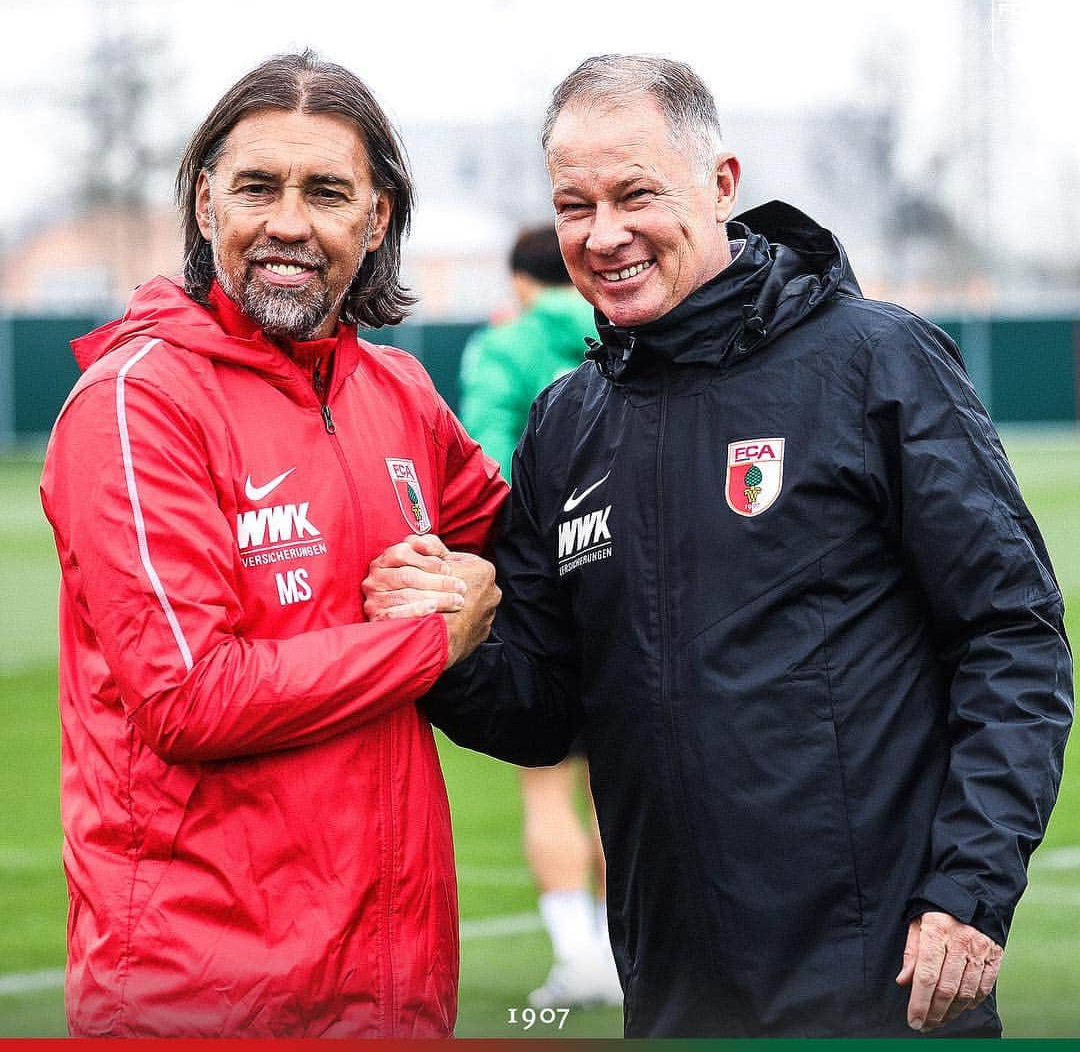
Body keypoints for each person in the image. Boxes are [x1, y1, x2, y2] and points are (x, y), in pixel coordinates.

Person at [361, 54, 1073, 1038]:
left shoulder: (875, 362)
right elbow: (544, 711)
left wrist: (968, 889)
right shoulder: (567, 422)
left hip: (884, 981)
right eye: (575, 205)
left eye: (634, 194)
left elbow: (1013, 639)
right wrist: (451, 644)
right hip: (674, 993)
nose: (604, 235)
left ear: (722, 184)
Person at [39, 50, 506, 1038]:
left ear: (377, 221)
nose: (287, 221)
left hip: (396, 988)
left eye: (326, 191)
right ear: (207, 205)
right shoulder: (137, 402)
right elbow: (188, 696)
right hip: (201, 998)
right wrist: (431, 638)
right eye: (258, 186)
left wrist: (474, 574)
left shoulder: (400, 396)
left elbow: (519, 546)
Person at [458, 225, 621, 1009]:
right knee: (627, 783)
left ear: (520, 282)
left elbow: (484, 470)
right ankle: (632, 953)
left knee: (546, 785)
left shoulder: (506, 346)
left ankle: (580, 957)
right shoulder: (628, 325)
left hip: (542, 586)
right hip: (630, 576)